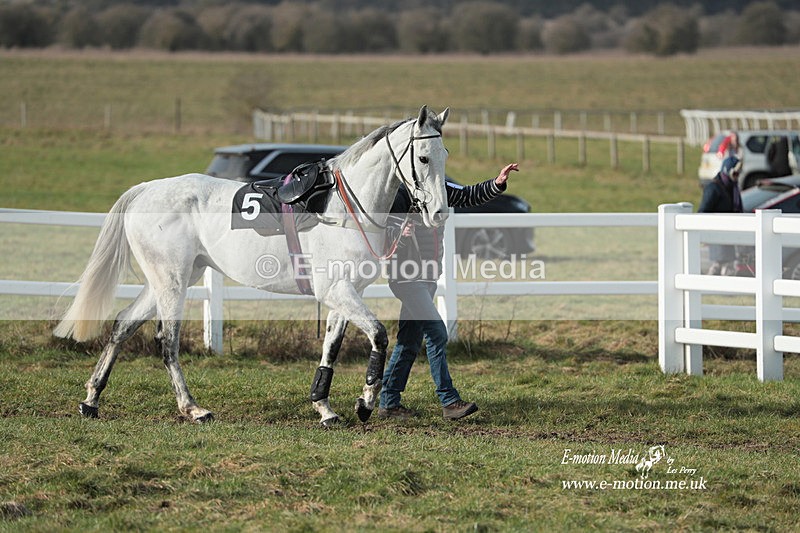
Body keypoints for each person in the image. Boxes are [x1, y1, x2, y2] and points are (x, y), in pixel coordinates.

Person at [378, 163, 519, 421]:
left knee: (408, 342)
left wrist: (497, 183)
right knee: (437, 333)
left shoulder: (440, 189)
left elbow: (467, 195)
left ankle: (388, 403)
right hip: (406, 277)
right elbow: (380, 235)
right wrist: (400, 232)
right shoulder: (399, 195)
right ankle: (449, 400)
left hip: (429, 277)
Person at [698, 156, 743, 275]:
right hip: (716, 233)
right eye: (735, 173)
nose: (737, 177)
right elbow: (703, 211)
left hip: (730, 233)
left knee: (728, 264)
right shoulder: (713, 188)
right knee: (718, 264)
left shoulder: (733, 188)